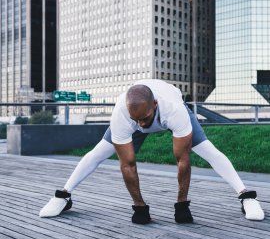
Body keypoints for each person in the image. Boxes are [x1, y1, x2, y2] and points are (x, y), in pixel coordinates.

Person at [39, 79, 264, 223]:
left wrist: (181, 205)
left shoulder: (174, 110)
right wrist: (139, 207)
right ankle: (64, 195)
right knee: (98, 152)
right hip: (135, 113)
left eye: (145, 119)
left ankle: (245, 196)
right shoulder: (123, 115)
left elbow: (182, 160)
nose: (142, 126)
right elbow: (127, 165)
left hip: (171, 112)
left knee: (208, 150)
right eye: (136, 120)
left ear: (155, 105)